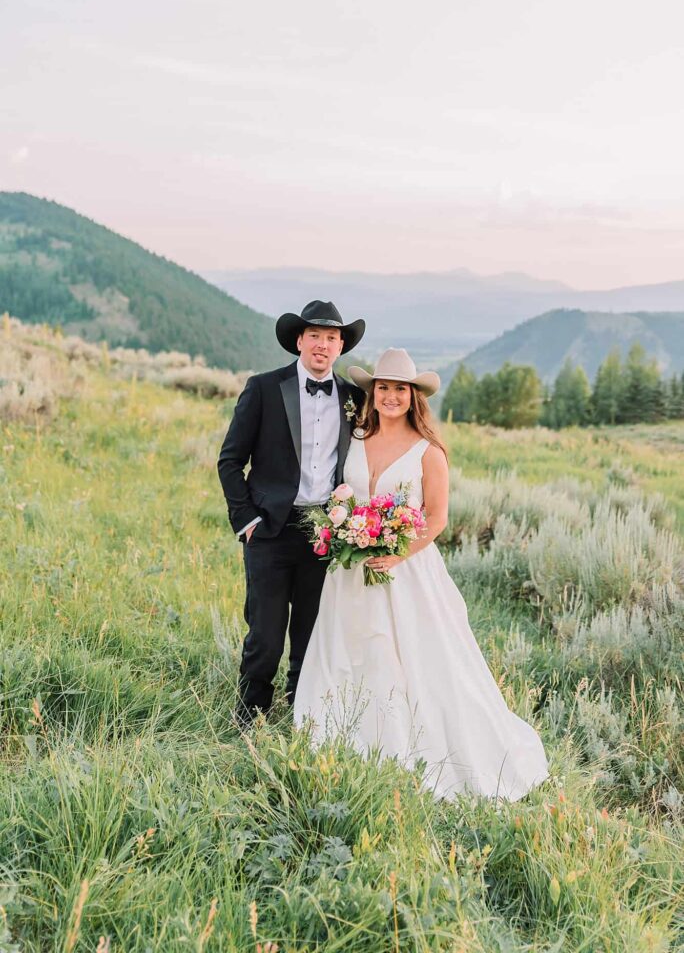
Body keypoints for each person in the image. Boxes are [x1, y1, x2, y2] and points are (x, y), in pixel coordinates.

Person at [294, 348, 549, 801]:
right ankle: (345, 737)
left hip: (406, 572)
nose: (391, 397)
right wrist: (343, 528)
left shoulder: (428, 452)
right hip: (350, 573)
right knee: (349, 651)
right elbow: (341, 494)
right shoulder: (354, 438)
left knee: (415, 657)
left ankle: (418, 746)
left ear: (414, 397)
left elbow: (436, 519)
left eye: (400, 390)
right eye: (384, 388)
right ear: (373, 392)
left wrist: (396, 554)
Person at [217, 300, 366, 728]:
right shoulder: (264, 388)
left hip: (325, 531)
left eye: (331, 338)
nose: (322, 345)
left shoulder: (353, 398)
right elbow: (230, 460)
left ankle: (302, 715)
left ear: (341, 347)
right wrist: (247, 520)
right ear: (299, 341)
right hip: (269, 529)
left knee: (311, 632)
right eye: (314, 336)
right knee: (264, 633)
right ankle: (250, 718)